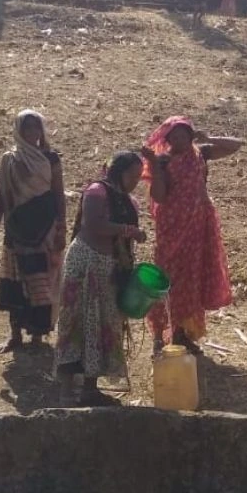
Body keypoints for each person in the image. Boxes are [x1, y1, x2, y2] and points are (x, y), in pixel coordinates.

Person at [141, 117, 241, 355]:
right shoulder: (163, 160)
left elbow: (236, 145)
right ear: (167, 139)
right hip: (171, 228)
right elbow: (159, 196)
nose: (178, 140)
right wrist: (155, 166)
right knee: (166, 277)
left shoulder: (201, 153)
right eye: (173, 136)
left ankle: (182, 334)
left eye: (183, 135)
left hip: (196, 228)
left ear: (191, 136)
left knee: (190, 278)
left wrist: (210, 138)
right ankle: (159, 334)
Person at [55, 152, 147, 407]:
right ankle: (66, 390)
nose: (135, 182)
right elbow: (94, 225)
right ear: (119, 171)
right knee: (75, 322)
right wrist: (128, 230)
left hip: (108, 268)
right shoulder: (97, 192)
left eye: (139, 177)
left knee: (101, 324)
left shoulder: (128, 201)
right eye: (132, 176)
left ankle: (90, 388)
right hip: (85, 263)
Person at [0, 110, 67, 353]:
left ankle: (37, 336)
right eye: (27, 128)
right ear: (18, 131)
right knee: (14, 280)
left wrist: (62, 228)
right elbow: (1, 197)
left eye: (36, 127)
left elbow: (58, 195)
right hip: (16, 229)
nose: (32, 132)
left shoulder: (51, 159)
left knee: (41, 282)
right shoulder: (9, 160)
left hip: (44, 229)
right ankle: (15, 335)